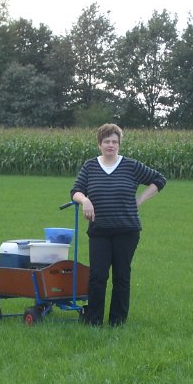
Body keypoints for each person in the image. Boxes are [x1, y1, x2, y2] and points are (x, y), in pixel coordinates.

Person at [71, 123, 167, 326]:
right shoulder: (90, 166)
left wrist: (140, 200)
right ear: (99, 144)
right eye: (107, 141)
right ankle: (94, 321)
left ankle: (117, 322)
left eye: (114, 142)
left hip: (127, 230)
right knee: (97, 276)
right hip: (99, 231)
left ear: (119, 144)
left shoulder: (130, 166)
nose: (111, 145)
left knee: (122, 276)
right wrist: (85, 200)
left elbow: (159, 180)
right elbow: (76, 191)